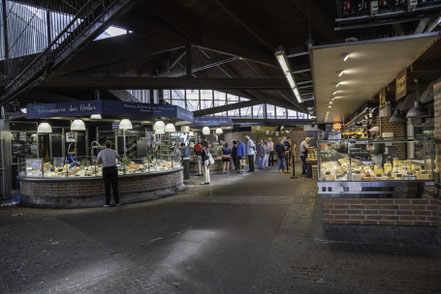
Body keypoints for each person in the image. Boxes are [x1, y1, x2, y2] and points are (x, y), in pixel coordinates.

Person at [97, 140, 123, 207]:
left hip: (106, 170)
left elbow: (98, 163)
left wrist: (99, 161)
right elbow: (121, 160)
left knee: (107, 187)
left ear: (105, 146)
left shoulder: (101, 152)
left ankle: (107, 203)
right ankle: (117, 202)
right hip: (113, 170)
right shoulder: (114, 152)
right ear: (111, 146)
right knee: (115, 187)